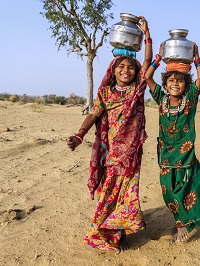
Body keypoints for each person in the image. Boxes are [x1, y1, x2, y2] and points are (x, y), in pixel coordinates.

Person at [66, 16, 152, 252]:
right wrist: (79, 135)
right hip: (112, 151)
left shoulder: (137, 89)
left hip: (131, 151)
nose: (126, 70)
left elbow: (146, 60)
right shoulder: (105, 93)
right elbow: (93, 114)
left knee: (127, 191)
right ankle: (103, 228)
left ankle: (120, 231)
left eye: (130, 68)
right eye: (121, 67)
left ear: (136, 73)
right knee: (109, 191)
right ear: (113, 71)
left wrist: (146, 35)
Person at [144, 43, 200, 243]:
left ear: (185, 85)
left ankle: (182, 224)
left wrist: (197, 58)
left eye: (180, 81)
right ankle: (179, 218)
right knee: (169, 193)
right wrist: (158, 58)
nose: (175, 84)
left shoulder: (189, 100)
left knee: (188, 190)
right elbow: (146, 77)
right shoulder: (160, 98)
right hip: (166, 157)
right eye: (171, 80)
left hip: (185, 157)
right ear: (165, 83)